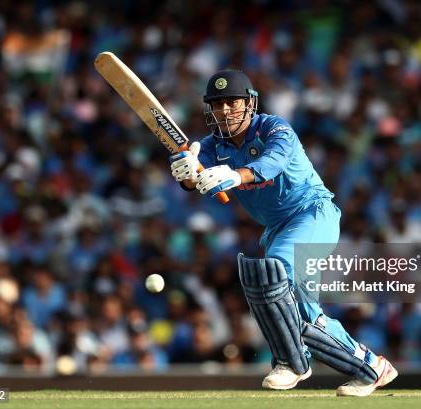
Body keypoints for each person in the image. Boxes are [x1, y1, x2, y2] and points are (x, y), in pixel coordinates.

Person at [169, 69, 397, 396]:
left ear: (249, 103)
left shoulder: (275, 128)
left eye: (232, 102)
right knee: (305, 315)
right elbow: (193, 177)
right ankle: (370, 367)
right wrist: (186, 172)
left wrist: (236, 175)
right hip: (278, 228)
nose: (224, 110)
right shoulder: (211, 146)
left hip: (312, 213)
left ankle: (291, 361)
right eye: (217, 104)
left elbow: (272, 163)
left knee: (274, 272)